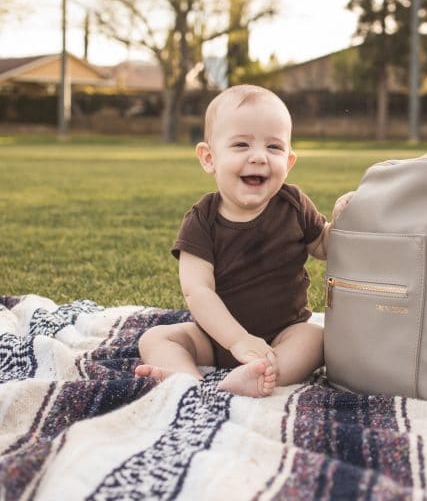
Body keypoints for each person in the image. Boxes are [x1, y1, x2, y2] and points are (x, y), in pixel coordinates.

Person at [135, 84, 351, 398]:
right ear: (209, 158)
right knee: (155, 339)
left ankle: (262, 374)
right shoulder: (202, 220)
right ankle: (186, 380)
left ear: (289, 162)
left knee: (315, 339)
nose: (259, 157)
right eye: (241, 145)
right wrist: (237, 340)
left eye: (274, 148)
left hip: (282, 333)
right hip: (213, 337)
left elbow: (323, 247)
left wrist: (342, 222)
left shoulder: (293, 204)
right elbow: (197, 291)